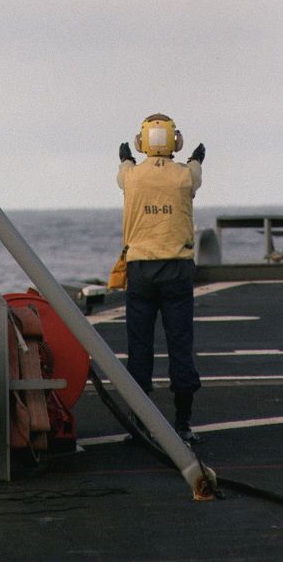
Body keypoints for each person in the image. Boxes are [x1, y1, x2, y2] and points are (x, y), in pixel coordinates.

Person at [117, 113, 205, 443]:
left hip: (140, 269)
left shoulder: (131, 177)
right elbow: (194, 173)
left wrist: (126, 157)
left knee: (139, 349)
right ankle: (183, 423)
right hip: (177, 269)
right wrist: (196, 157)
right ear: (174, 142)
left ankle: (139, 422)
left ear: (142, 143)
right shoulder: (184, 177)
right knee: (180, 344)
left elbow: (124, 170)